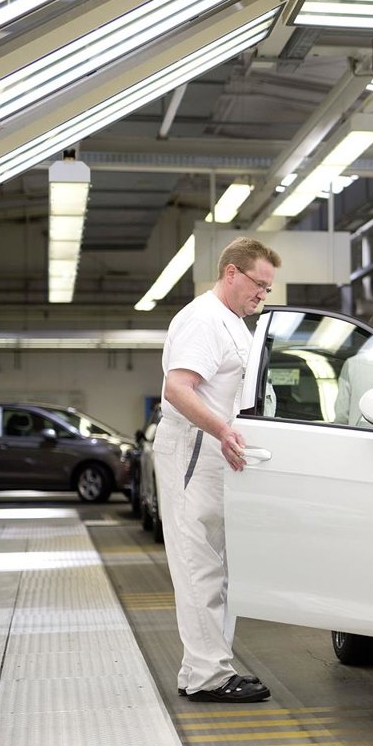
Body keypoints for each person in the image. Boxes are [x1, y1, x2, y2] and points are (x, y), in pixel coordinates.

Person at [153, 237, 280, 703]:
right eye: (258, 285)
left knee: (215, 565)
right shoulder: (202, 319)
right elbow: (178, 389)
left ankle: (201, 668)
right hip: (193, 447)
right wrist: (223, 430)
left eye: (267, 289)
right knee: (197, 562)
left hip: (213, 452)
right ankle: (210, 675)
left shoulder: (234, 324)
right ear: (231, 272)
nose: (262, 295)